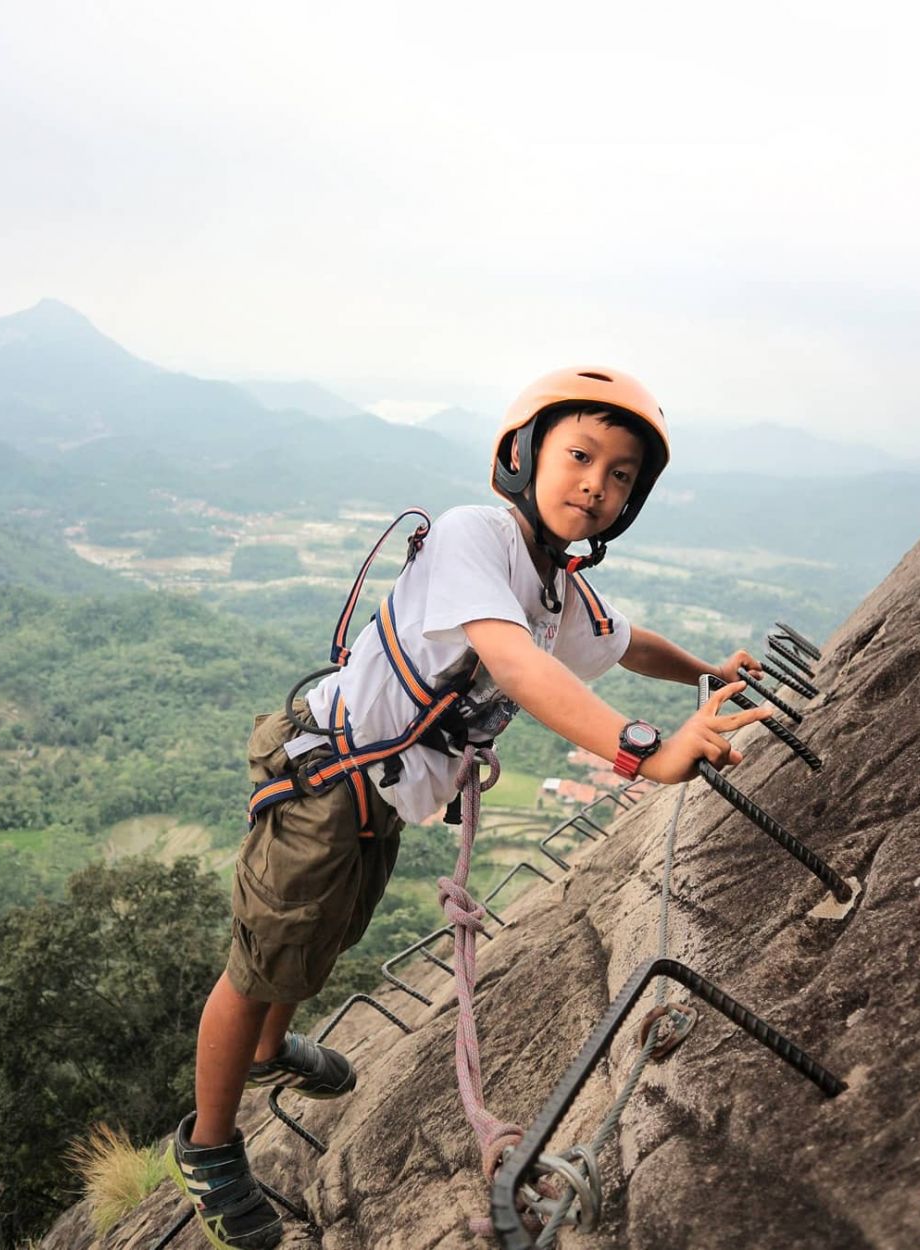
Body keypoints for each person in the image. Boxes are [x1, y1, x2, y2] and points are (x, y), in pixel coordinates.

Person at [165, 366, 772, 1249]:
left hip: (374, 798)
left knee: (319, 937)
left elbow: (625, 642)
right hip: (326, 778)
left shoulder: (554, 587)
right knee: (257, 964)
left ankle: (268, 1052)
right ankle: (210, 1148)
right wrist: (643, 747)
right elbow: (519, 664)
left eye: (622, 474)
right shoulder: (473, 538)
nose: (598, 484)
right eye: (580, 455)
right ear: (524, 454)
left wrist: (706, 675)